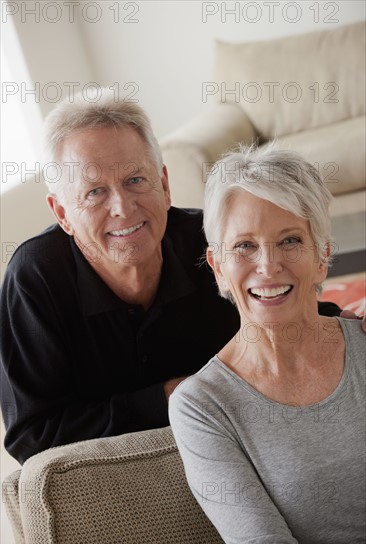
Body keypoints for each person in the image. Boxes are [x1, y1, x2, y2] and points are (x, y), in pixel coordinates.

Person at [0, 90, 359, 466]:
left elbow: (278, 297)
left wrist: (347, 320)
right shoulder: (35, 278)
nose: (123, 207)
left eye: (136, 180)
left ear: (165, 185)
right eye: (94, 192)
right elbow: (31, 436)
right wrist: (172, 396)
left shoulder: (208, 242)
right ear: (62, 213)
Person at [169, 143, 365, 544]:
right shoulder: (202, 405)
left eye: (290, 240)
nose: (268, 266)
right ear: (218, 267)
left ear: (323, 255)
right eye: (244, 246)